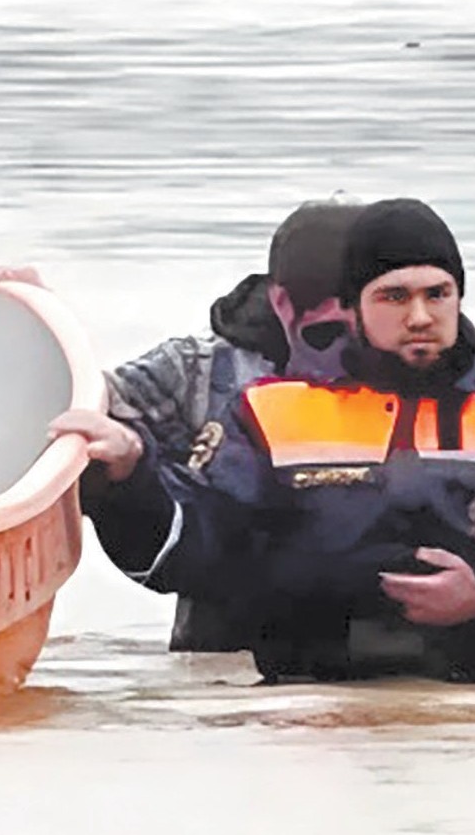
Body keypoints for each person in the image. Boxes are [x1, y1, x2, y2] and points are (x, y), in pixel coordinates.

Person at [60, 199, 475, 683]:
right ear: (356, 308)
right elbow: (200, 550)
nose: (420, 315)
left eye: (438, 294)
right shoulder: (272, 413)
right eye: (394, 296)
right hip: (301, 711)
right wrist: (131, 480)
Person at [92, 198, 370, 650]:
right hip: (228, 654)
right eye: (326, 325)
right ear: (281, 300)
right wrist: (26, 316)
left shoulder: (447, 375)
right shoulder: (198, 369)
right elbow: (76, 406)